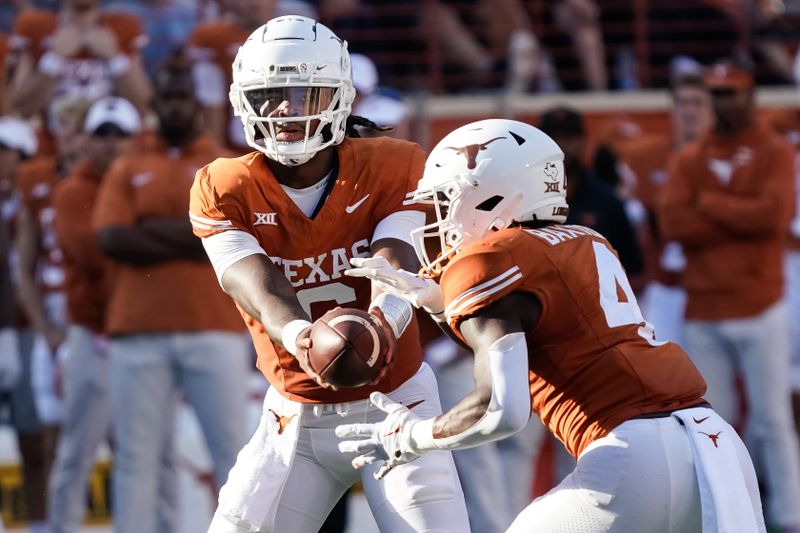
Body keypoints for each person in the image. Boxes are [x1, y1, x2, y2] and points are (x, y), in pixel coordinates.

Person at [339, 118, 765, 532]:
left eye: (448, 198)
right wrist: (436, 304)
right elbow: (530, 339)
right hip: (716, 447)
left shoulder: (489, 261)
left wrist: (412, 437)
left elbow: (500, 411)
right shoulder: (584, 239)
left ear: (495, 198)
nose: (441, 215)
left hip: (635, 454)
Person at [189, 15, 469, 533]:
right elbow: (252, 280)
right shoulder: (222, 184)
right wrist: (301, 335)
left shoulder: (393, 163)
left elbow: (395, 256)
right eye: (270, 95)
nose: (285, 110)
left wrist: (380, 324)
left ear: (338, 96)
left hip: (397, 405)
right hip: (295, 415)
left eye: (304, 94)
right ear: (242, 100)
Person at [93, 55, 251, 533]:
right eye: (168, 97)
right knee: (136, 456)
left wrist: (150, 230)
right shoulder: (128, 164)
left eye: (184, 97)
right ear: (155, 102)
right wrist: (195, 234)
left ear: (197, 104)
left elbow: (235, 238)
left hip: (215, 326)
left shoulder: (226, 163)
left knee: (236, 454)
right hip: (137, 329)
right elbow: (112, 238)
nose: (176, 107)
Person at [659, 63, 800, 532]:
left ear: (749, 96)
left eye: (730, 93)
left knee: (772, 420)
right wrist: (741, 215)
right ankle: (722, 516)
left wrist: (712, 205)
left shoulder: (774, 151)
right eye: (715, 93)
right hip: (704, 307)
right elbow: (676, 226)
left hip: (761, 303)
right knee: (712, 426)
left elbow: (774, 217)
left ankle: (789, 515)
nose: (723, 102)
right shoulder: (689, 158)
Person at [49, 96, 141, 533]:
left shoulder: (146, 183)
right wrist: (152, 246)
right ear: (88, 139)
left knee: (138, 453)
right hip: (95, 332)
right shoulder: (73, 191)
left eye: (120, 134)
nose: (111, 143)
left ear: (134, 139)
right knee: (77, 449)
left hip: (140, 332)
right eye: (103, 133)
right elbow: (96, 253)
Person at [622, 73, 712, 345]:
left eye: (697, 103)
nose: (689, 111)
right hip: (663, 283)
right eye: (683, 103)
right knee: (658, 363)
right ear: (672, 110)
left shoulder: (724, 159)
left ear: (711, 109)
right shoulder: (649, 157)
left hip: (713, 282)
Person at [9, 0, 152, 118]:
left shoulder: (123, 27)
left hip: (107, 138)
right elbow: (20, 110)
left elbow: (143, 109)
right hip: (54, 143)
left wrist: (115, 58)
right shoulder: (35, 27)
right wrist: (53, 60)